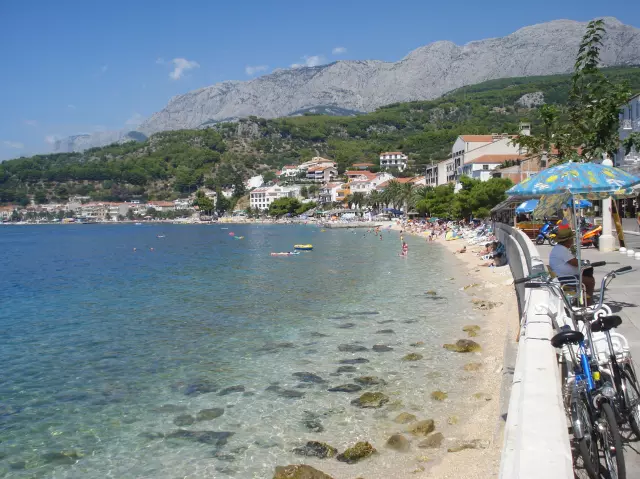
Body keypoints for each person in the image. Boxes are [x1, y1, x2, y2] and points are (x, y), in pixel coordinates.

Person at [549, 228, 595, 304]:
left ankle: (581, 301)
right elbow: (575, 263)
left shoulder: (559, 248)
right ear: (568, 240)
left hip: (561, 276)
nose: (572, 241)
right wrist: (584, 262)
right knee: (590, 281)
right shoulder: (562, 250)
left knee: (586, 275)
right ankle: (588, 303)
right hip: (564, 278)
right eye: (572, 239)